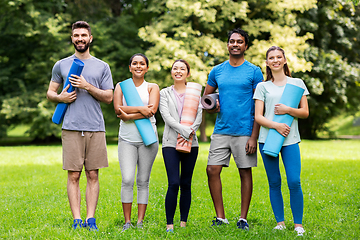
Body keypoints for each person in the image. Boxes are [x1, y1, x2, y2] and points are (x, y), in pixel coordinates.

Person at [46, 21, 114, 230]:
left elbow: (109, 97)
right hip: (71, 127)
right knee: (73, 175)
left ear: (90, 38)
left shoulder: (102, 66)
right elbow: (50, 93)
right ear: (72, 38)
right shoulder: (61, 65)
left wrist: (87, 86)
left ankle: (90, 219)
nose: (80, 39)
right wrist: (61, 98)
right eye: (76, 35)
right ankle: (77, 219)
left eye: (84, 35)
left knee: (93, 174)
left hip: (95, 127)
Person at [203, 28, 263, 230]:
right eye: (232, 41)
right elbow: (206, 99)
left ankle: (242, 218)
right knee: (212, 169)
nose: (235, 44)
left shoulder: (254, 71)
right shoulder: (217, 71)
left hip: (245, 130)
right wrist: (212, 107)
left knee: (245, 171)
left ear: (246, 46)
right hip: (221, 129)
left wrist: (254, 136)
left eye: (239, 41)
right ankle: (221, 217)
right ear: (227, 45)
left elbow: (259, 103)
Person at [253, 46, 309, 236]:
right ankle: (280, 222)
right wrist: (276, 126)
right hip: (267, 140)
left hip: (290, 140)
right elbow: (258, 117)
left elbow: (305, 112)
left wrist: (287, 110)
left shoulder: (297, 83)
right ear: (267, 63)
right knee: (274, 182)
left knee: (294, 181)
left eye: (279, 57)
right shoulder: (262, 87)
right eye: (271, 58)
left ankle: (298, 224)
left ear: (284, 60)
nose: (275, 60)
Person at [113, 53, 160, 232]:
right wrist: (141, 108)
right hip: (127, 139)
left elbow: (152, 111)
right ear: (130, 67)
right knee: (127, 179)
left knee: (142, 180)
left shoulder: (152, 87)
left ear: (147, 68)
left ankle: (140, 221)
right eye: (135, 63)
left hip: (148, 138)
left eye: (142, 64)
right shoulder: (121, 86)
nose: (138, 66)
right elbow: (118, 109)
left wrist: (129, 115)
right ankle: (127, 221)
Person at [159, 59, 203, 233]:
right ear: (171, 72)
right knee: (173, 183)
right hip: (170, 142)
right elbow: (166, 116)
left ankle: (183, 222)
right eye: (175, 68)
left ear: (188, 73)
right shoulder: (164, 93)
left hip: (192, 143)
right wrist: (184, 130)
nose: (178, 71)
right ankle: (170, 223)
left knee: (186, 183)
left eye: (182, 69)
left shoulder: (195, 92)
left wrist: (191, 131)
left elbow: (199, 115)